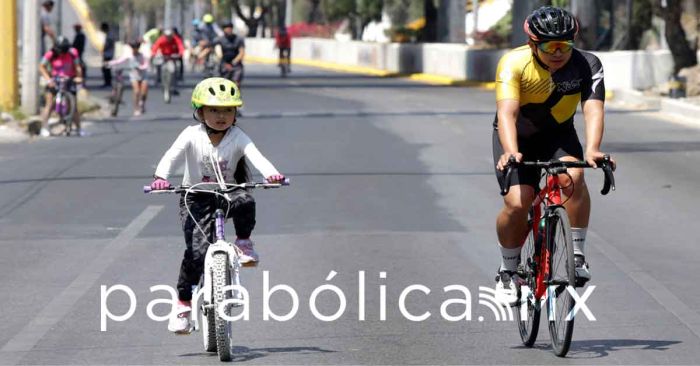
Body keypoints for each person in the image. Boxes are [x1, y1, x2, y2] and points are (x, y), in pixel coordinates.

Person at [492, 6, 615, 304]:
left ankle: (576, 256)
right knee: (518, 202)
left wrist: (594, 148)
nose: (558, 52)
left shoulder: (587, 64)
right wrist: (510, 152)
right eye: (550, 46)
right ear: (533, 43)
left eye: (565, 45)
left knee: (574, 176)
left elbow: (593, 109)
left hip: (558, 135)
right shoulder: (514, 62)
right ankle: (508, 270)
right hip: (517, 137)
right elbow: (507, 113)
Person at [149, 77, 285, 334]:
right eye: (213, 110)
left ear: (235, 113)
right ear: (199, 112)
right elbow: (170, 157)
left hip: (228, 192)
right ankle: (183, 305)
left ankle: (244, 242)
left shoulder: (238, 136)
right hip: (196, 196)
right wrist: (160, 179)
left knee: (246, 199)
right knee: (197, 253)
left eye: (228, 110)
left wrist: (272, 175)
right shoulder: (191, 135)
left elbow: (257, 157)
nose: (221, 116)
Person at [38, 36, 83, 137]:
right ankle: (44, 127)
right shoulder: (51, 53)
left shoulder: (73, 52)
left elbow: (77, 67)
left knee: (74, 106)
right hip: (55, 79)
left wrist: (79, 77)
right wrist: (48, 80)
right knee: (49, 104)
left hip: (69, 79)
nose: (61, 53)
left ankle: (79, 129)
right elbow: (41, 66)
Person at [107, 40, 150, 116]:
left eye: (136, 47)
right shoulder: (129, 56)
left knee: (143, 92)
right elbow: (119, 61)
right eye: (133, 47)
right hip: (134, 76)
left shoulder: (142, 55)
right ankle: (136, 108)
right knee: (136, 92)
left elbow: (146, 64)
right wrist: (109, 63)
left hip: (143, 75)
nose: (134, 49)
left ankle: (142, 103)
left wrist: (141, 67)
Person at [151, 29, 185, 93]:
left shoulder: (175, 39)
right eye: (167, 36)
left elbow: (180, 46)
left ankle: (174, 85)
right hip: (164, 56)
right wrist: (153, 53)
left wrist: (180, 53)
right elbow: (155, 46)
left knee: (174, 70)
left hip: (172, 56)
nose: (168, 38)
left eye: (170, 36)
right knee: (159, 66)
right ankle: (160, 80)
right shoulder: (161, 39)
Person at [213, 22, 245, 88]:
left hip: (236, 64)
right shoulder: (219, 40)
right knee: (223, 85)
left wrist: (234, 62)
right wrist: (224, 63)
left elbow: (242, 52)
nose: (229, 29)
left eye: (230, 28)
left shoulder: (238, 39)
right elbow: (218, 53)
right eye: (227, 28)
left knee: (236, 83)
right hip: (224, 64)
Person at [101, 23, 116, 87]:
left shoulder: (110, 35)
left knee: (106, 69)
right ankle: (107, 82)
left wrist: (103, 49)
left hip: (108, 54)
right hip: (108, 54)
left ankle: (108, 82)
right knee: (105, 69)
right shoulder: (109, 34)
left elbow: (107, 44)